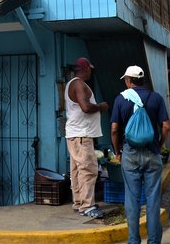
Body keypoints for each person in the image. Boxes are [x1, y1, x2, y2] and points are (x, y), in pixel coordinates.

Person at [110, 65, 170, 244]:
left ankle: (133, 240)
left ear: (129, 81)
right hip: (152, 153)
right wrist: (159, 145)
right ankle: (153, 241)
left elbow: (114, 129)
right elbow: (166, 126)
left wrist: (117, 151)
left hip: (129, 153)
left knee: (132, 198)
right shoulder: (156, 97)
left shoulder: (121, 99)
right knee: (153, 199)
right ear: (142, 80)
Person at [65, 57, 108, 219]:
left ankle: (79, 202)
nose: (91, 71)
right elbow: (86, 107)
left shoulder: (72, 83)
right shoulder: (79, 84)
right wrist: (101, 107)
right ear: (85, 68)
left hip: (75, 134)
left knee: (77, 170)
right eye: (90, 69)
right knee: (88, 169)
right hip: (82, 134)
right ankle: (87, 206)